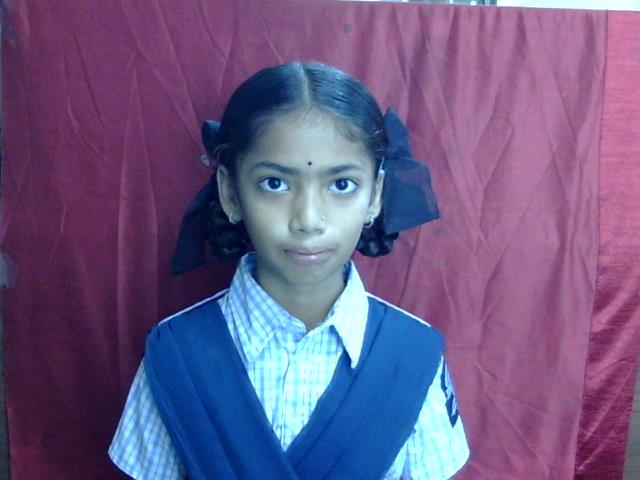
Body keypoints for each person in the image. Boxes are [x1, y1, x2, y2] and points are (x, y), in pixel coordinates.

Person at [109, 61, 469, 480]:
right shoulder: (177, 353)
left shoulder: (412, 355)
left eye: (342, 185)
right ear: (230, 192)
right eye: (275, 183)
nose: (308, 220)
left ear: (375, 196)